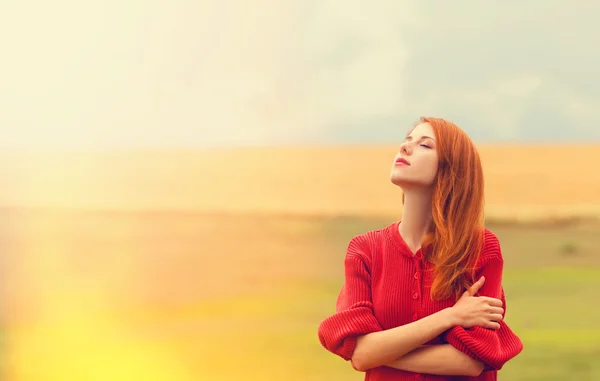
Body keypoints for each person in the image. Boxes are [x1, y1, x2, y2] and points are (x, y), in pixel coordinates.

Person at [317, 117, 523, 380]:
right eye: (406, 141)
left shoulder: (480, 248)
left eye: (425, 145)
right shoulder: (364, 250)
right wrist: (450, 316)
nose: (404, 148)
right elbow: (360, 354)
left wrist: (378, 351)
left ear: (452, 170)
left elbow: (470, 362)